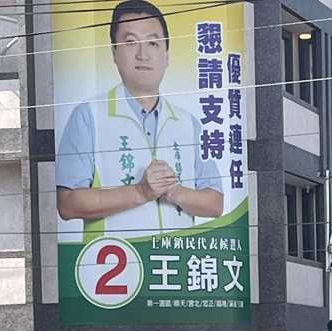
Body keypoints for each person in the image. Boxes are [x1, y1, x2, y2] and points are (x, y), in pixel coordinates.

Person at [56, 0, 224, 236]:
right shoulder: (89, 115)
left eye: (153, 43)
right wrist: (141, 191)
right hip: (112, 255)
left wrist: (173, 190)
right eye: (130, 42)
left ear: (166, 55)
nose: (143, 54)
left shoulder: (188, 122)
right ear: (114, 52)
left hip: (177, 255)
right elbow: (67, 204)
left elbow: (215, 203)